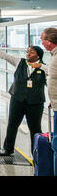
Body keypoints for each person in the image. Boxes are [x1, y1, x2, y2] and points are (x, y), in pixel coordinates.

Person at [0, 43, 48, 156]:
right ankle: (8, 149)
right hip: (17, 99)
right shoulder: (19, 62)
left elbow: (52, 75)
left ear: (38, 55)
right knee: (12, 124)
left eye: (32, 52)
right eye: (27, 52)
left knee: (35, 128)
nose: (28, 54)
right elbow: (4, 56)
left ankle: (36, 153)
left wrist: (39, 66)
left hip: (35, 103)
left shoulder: (44, 68)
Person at [40, 27, 57, 175]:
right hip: (56, 104)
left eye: (43, 40)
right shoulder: (53, 56)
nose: (42, 43)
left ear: (50, 42)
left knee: (56, 143)